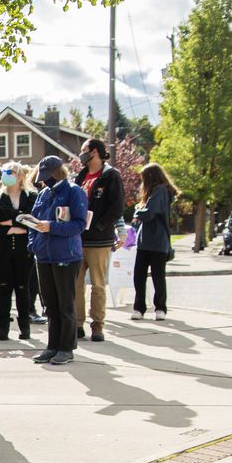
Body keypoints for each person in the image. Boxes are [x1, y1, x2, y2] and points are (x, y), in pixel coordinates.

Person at [28, 155, 88, 366]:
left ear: (57, 173)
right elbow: (33, 222)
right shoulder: (43, 194)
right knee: (50, 305)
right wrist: (33, 243)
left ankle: (66, 347)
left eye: (47, 176)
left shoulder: (74, 192)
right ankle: (52, 346)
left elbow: (79, 225)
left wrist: (52, 226)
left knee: (65, 304)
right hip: (44, 256)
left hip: (66, 256)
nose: (44, 181)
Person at [73, 138, 124, 342]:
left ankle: (97, 325)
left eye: (84, 150)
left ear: (94, 152)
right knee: (76, 284)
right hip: (78, 238)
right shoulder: (81, 176)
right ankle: (77, 323)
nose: (81, 154)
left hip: (99, 240)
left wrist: (102, 226)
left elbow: (116, 206)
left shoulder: (111, 176)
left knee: (98, 284)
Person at [0, 161, 38, 341]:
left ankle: (24, 326)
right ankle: (3, 327)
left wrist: (10, 222)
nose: (8, 174)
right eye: (6, 172)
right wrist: (20, 220)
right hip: (2, 250)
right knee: (5, 287)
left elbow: (33, 220)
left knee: (22, 288)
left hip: (24, 250)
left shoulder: (31, 196)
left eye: (12, 172)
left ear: (20, 176)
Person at [132, 162, 179, 321]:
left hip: (153, 241)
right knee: (150, 276)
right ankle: (154, 308)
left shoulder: (159, 191)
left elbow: (149, 213)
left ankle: (152, 308)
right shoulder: (160, 192)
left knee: (147, 276)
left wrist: (138, 211)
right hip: (153, 241)